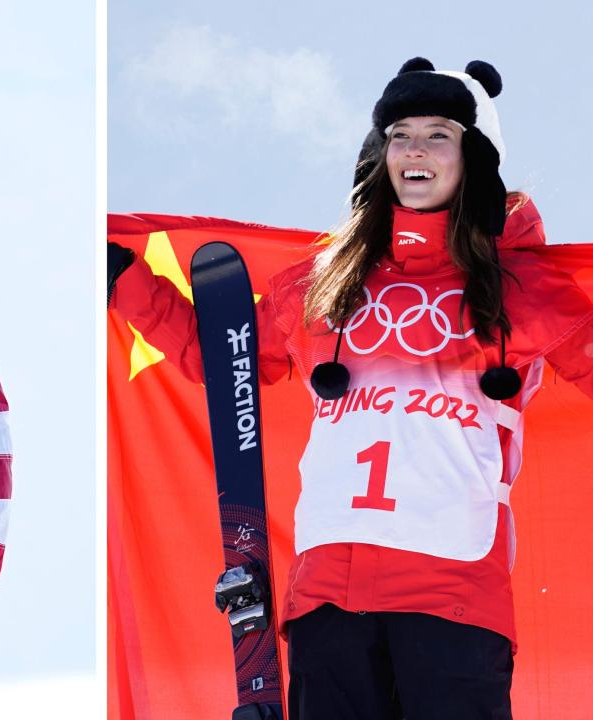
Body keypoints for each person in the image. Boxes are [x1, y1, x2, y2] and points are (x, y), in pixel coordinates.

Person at [108, 58, 593, 720]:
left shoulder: (522, 291)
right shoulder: (322, 286)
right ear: (378, 153)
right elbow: (224, 363)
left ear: (474, 158)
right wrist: (123, 279)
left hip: (453, 597)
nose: (415, 149)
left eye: (439, 133)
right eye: (399, 134)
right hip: (328, 599)